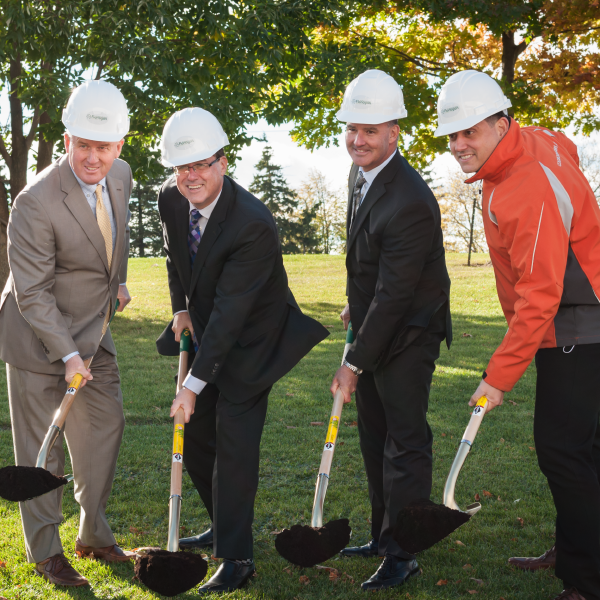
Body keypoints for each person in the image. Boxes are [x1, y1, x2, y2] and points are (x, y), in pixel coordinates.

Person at [435, 69, 600, 600]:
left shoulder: (523, 184)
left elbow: (541, 294)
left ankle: (585, 578)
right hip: (578, 317)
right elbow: (564, 143)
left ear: (503, 123)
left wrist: (498, 377)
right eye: (452, 135)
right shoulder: (535, 145)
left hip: (579, 321)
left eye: (472, 132)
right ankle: (576, 546)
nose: (460, 144)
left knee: (561, 451)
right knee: (582, 451)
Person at [155, 107, 329, 594]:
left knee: (233, 445)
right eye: (181, 166)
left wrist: (191, 386)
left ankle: (237, 559)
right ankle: (222, 523)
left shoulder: (252, 223)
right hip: (208, 328)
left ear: (223, 162)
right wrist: (180, 308)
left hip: (253, 343)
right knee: (195, 442)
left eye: (201, 165)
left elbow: (233, 314)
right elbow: (174, 257)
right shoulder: (170, 198)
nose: (190, 176)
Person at [0, 80, 134, 586]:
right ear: (67, 139)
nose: (94, 158)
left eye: (104, 147)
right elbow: (32, 293)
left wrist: (116, 281)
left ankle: (94, 535)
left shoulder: (121, 175)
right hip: (36, 337)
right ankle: (46, 551)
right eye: (84, 145)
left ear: (120, 145)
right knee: (42, 448)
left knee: (105, 428)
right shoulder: (35, 202)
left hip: (93, 331)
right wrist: (68, 357)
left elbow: (111, 238)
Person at [330, 69, 452, 591]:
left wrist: (354, 360)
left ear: (394, 132)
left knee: (404, 442)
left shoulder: (409, 200)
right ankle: (384, 534)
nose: (358, 140)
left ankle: (404, 552)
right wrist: (355, 310)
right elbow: (371, 269)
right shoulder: (362, 174)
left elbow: (396, 294)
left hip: (410, 332)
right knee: (376, 437)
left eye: (370, 130)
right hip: (377, 322)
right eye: (351, 128)